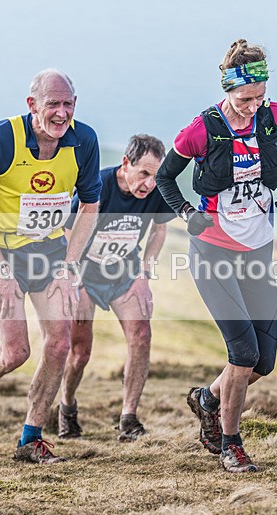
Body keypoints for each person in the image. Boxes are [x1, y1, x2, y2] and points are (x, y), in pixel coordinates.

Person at [155, 39, 277, 473]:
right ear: (228, 89)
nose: (253, 107)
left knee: (264, 361)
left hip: (258, 251)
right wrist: (187, 213)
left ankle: (207, 399)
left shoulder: (274, 117)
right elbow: (165, 177)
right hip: (214, 251)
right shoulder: (202, 129)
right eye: (244, 100)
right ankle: (230, 444)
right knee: (243, 354)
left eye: (260, 97)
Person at [0, 69, 101, 464]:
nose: (61, 113)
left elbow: (90, 205)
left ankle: (30, 438)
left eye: (68, 104)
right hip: (3, 253)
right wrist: (0, 271)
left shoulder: (84, 141)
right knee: (15, 352)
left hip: (51, 252)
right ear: (32, 105)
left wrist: (69, 266)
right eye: (53, 104)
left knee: (60, 342)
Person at [57, 134, 175, 442]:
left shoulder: (157, 189)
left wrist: (144, 275)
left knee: (141, 335)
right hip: (85, 274)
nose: (149, 183)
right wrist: (72, 276)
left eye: (155, 175)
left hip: (125, 273)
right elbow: (68, 231)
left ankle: (128, 418)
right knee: (80, 352)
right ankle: (66, 407)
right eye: (144, 173)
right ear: (126, 163)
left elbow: (159, 229)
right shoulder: (98, 185)